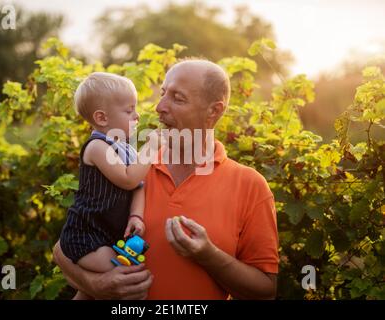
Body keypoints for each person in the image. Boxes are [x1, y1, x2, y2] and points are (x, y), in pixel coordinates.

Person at [53, 60, 279, 300]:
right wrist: (97, 284)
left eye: (178, 98)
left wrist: (208, 255)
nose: (160, 107)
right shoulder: (129, 168)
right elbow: (63, 250)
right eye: (162, 94)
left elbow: (264, 291)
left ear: (214, 111)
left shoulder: (250, 185)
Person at [58, 72, 160, 300]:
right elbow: (128, 179)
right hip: (87, 234)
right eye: (129, 110)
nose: (137, 115)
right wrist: (151, 147)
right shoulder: (97, 147)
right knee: (125, 281)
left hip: (109, 233)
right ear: (102, 118)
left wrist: (136, 216)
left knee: (90, 292)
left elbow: (138, 186)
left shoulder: (127, 148)